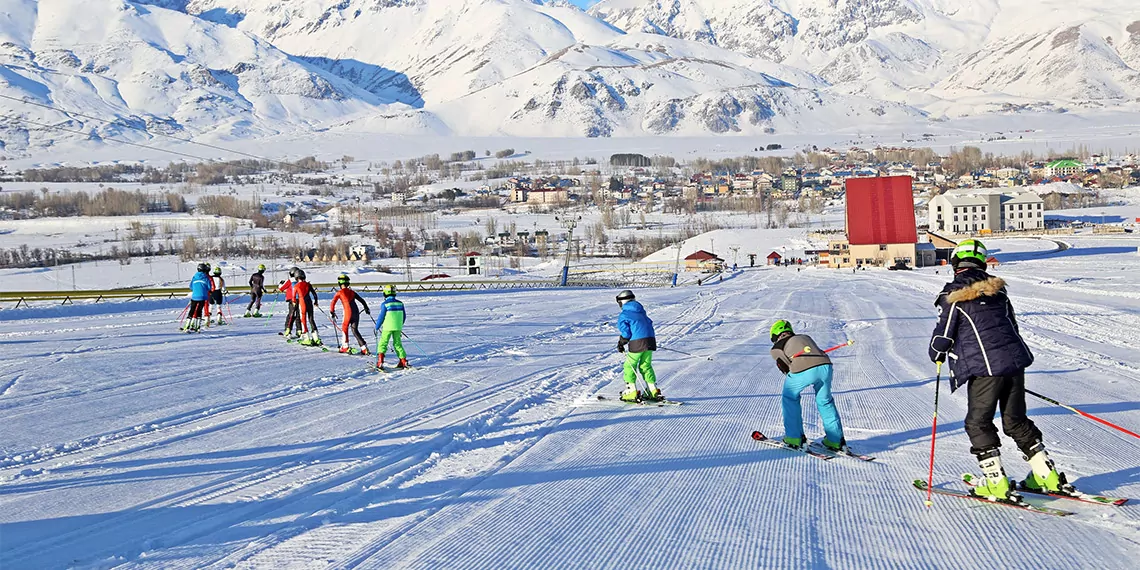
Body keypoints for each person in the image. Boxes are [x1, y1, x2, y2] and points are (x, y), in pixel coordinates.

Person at [928, 239, 1073, 501]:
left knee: (977, 421)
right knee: (1015, 420)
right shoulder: (999, 292)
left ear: (956, 263)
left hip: (985, 367)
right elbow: (1012, 327)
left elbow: (943, 337)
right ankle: (1046, 475)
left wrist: (936, 355)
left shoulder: (953, 295)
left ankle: (995, 481)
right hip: (1014, 362)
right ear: (982, 263)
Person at [769, 320, 845, 450]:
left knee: (790, 398)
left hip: (802, 370)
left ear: (775, 336)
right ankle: (835, 440)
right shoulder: (805, 337)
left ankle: (794, 438)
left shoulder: (776, 348)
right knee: (825, 401)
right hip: (825, 367)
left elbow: (785, 368)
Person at [615, 290, 660, 402]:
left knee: (629, 365)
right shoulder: (641, 312)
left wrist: (621, 342)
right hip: (650, 340)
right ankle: (652, 390)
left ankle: (631, 391)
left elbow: (626, 333)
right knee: (645, 366)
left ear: (622, 302)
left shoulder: (624, 314)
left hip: (637, 342)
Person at [330, 273, 371, 354]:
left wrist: (332, 311)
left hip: (348, 313)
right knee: (355, 330)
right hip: (356, 313)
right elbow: (362, 300)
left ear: (339, 283)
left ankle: (345, 347)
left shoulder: (339, 292)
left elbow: (333, 302)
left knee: (344, 328)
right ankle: (364, 348)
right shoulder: (352, 292)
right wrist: (366, 308)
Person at [375, 284, 408, 369]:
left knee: (383, 343)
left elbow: (381, 317)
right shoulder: (400, 303)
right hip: (398, 327)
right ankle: (403, 360)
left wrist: (377, 327)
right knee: (397, 344)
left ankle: (380, 361)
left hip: (387, 328)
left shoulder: (385, 304)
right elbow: (404, 316)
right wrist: (400, 325)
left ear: (385, 293)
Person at [293, 270, 322, 346]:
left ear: (296, 278)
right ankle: (316, 338)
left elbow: (293, 298)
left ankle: (306, 338)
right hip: (309, 303)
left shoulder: (296, 286)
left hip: (302, 304)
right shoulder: (308, 285)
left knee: (303, 320)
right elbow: (314, 294)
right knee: (311, 319)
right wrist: (316, 302)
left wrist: (294, 303)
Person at [185, 263, 211, 332]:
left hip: (195, 296)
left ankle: (187, 326)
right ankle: (197, 327)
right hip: (203, 297)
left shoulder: (194, 277)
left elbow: (191, 287)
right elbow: (209, 287)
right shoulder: (206, 277)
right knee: (199, 310)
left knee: (192, 310)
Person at [278, 268, 299, 338]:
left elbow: (281, 288)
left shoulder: (290, 280)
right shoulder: (300, 280)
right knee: (298, 315)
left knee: (291, 314)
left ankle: (288, 330)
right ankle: (299, 330)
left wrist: (280, 284)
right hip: (300, 299)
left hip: (291, 299)